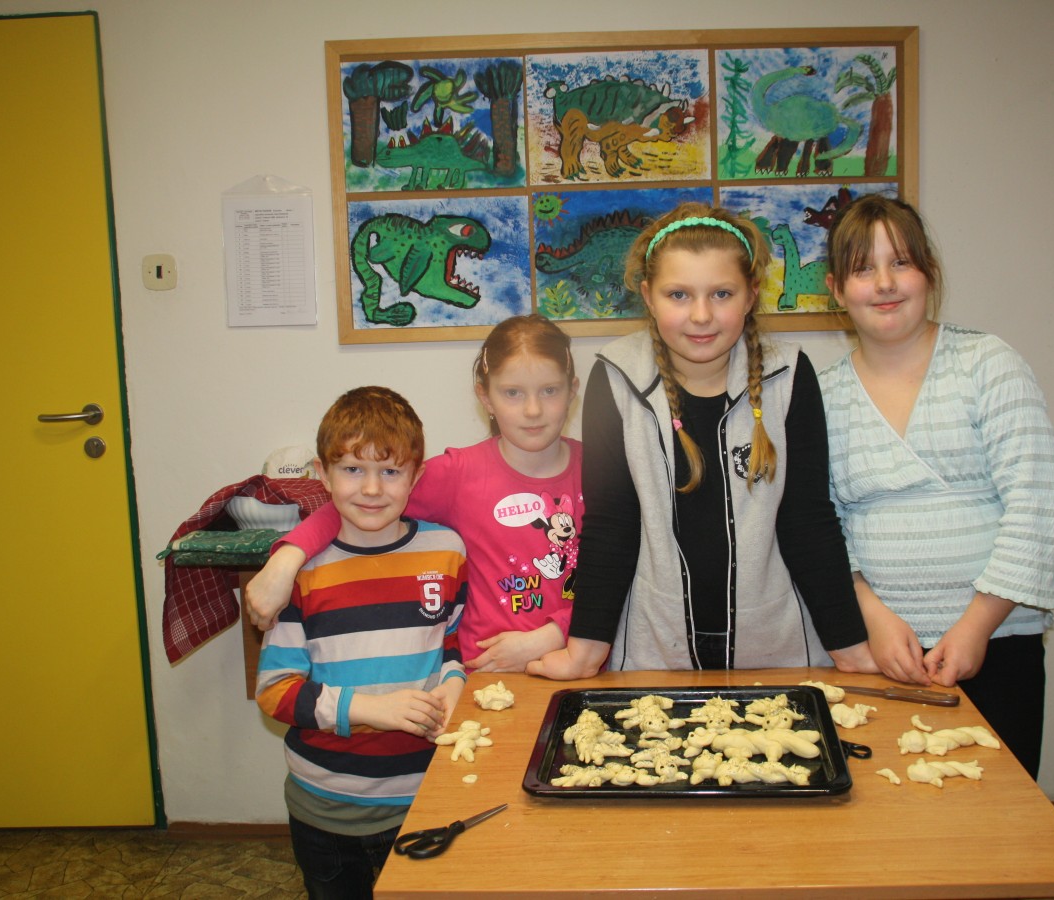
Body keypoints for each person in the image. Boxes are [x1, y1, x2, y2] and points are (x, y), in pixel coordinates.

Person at [528, 202, 875, 678]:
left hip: (778, 651)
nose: (701, 315)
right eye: (678, 294)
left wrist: (850, 645)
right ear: (648, 296)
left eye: (722, 294)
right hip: (654, 653)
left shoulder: (789, 374)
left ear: (751, 294)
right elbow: (611, 525)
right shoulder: (616, 376)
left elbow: (808, 521)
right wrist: (585, 650)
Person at [818, 194, 1054, 778]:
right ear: (836, 289)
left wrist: (976, 626)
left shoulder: (988, 364)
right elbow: (822, 525)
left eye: (901, 262)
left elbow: (1038, 504)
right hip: (878, 649)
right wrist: (872, 618)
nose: (884, 283)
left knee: (994, 808)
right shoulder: (822, 394)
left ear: (929, 272)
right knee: (886, 809)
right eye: (862, 268)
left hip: (997, 639)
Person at [246, 314, 580, 673]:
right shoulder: (457, 474)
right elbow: (358, 501)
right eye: (513, 392)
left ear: (572, 390)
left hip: (580, 668)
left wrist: (551, 635)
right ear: (485, 396)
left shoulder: (603, 471)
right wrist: (285, 561)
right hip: (485, 679)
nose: (533, 410)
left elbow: (617, 582)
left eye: (550, 390)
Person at [255, 386, 467, 899]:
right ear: (322, 474)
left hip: (424, 796)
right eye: (352, 469)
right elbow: (275, 691)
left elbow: (451, 641)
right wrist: (375, 709)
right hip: (325, 807)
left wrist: (454, 682)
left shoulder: (446, 551)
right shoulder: (301, 571)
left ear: (416, 476)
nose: (372, 489)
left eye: (390, 471)